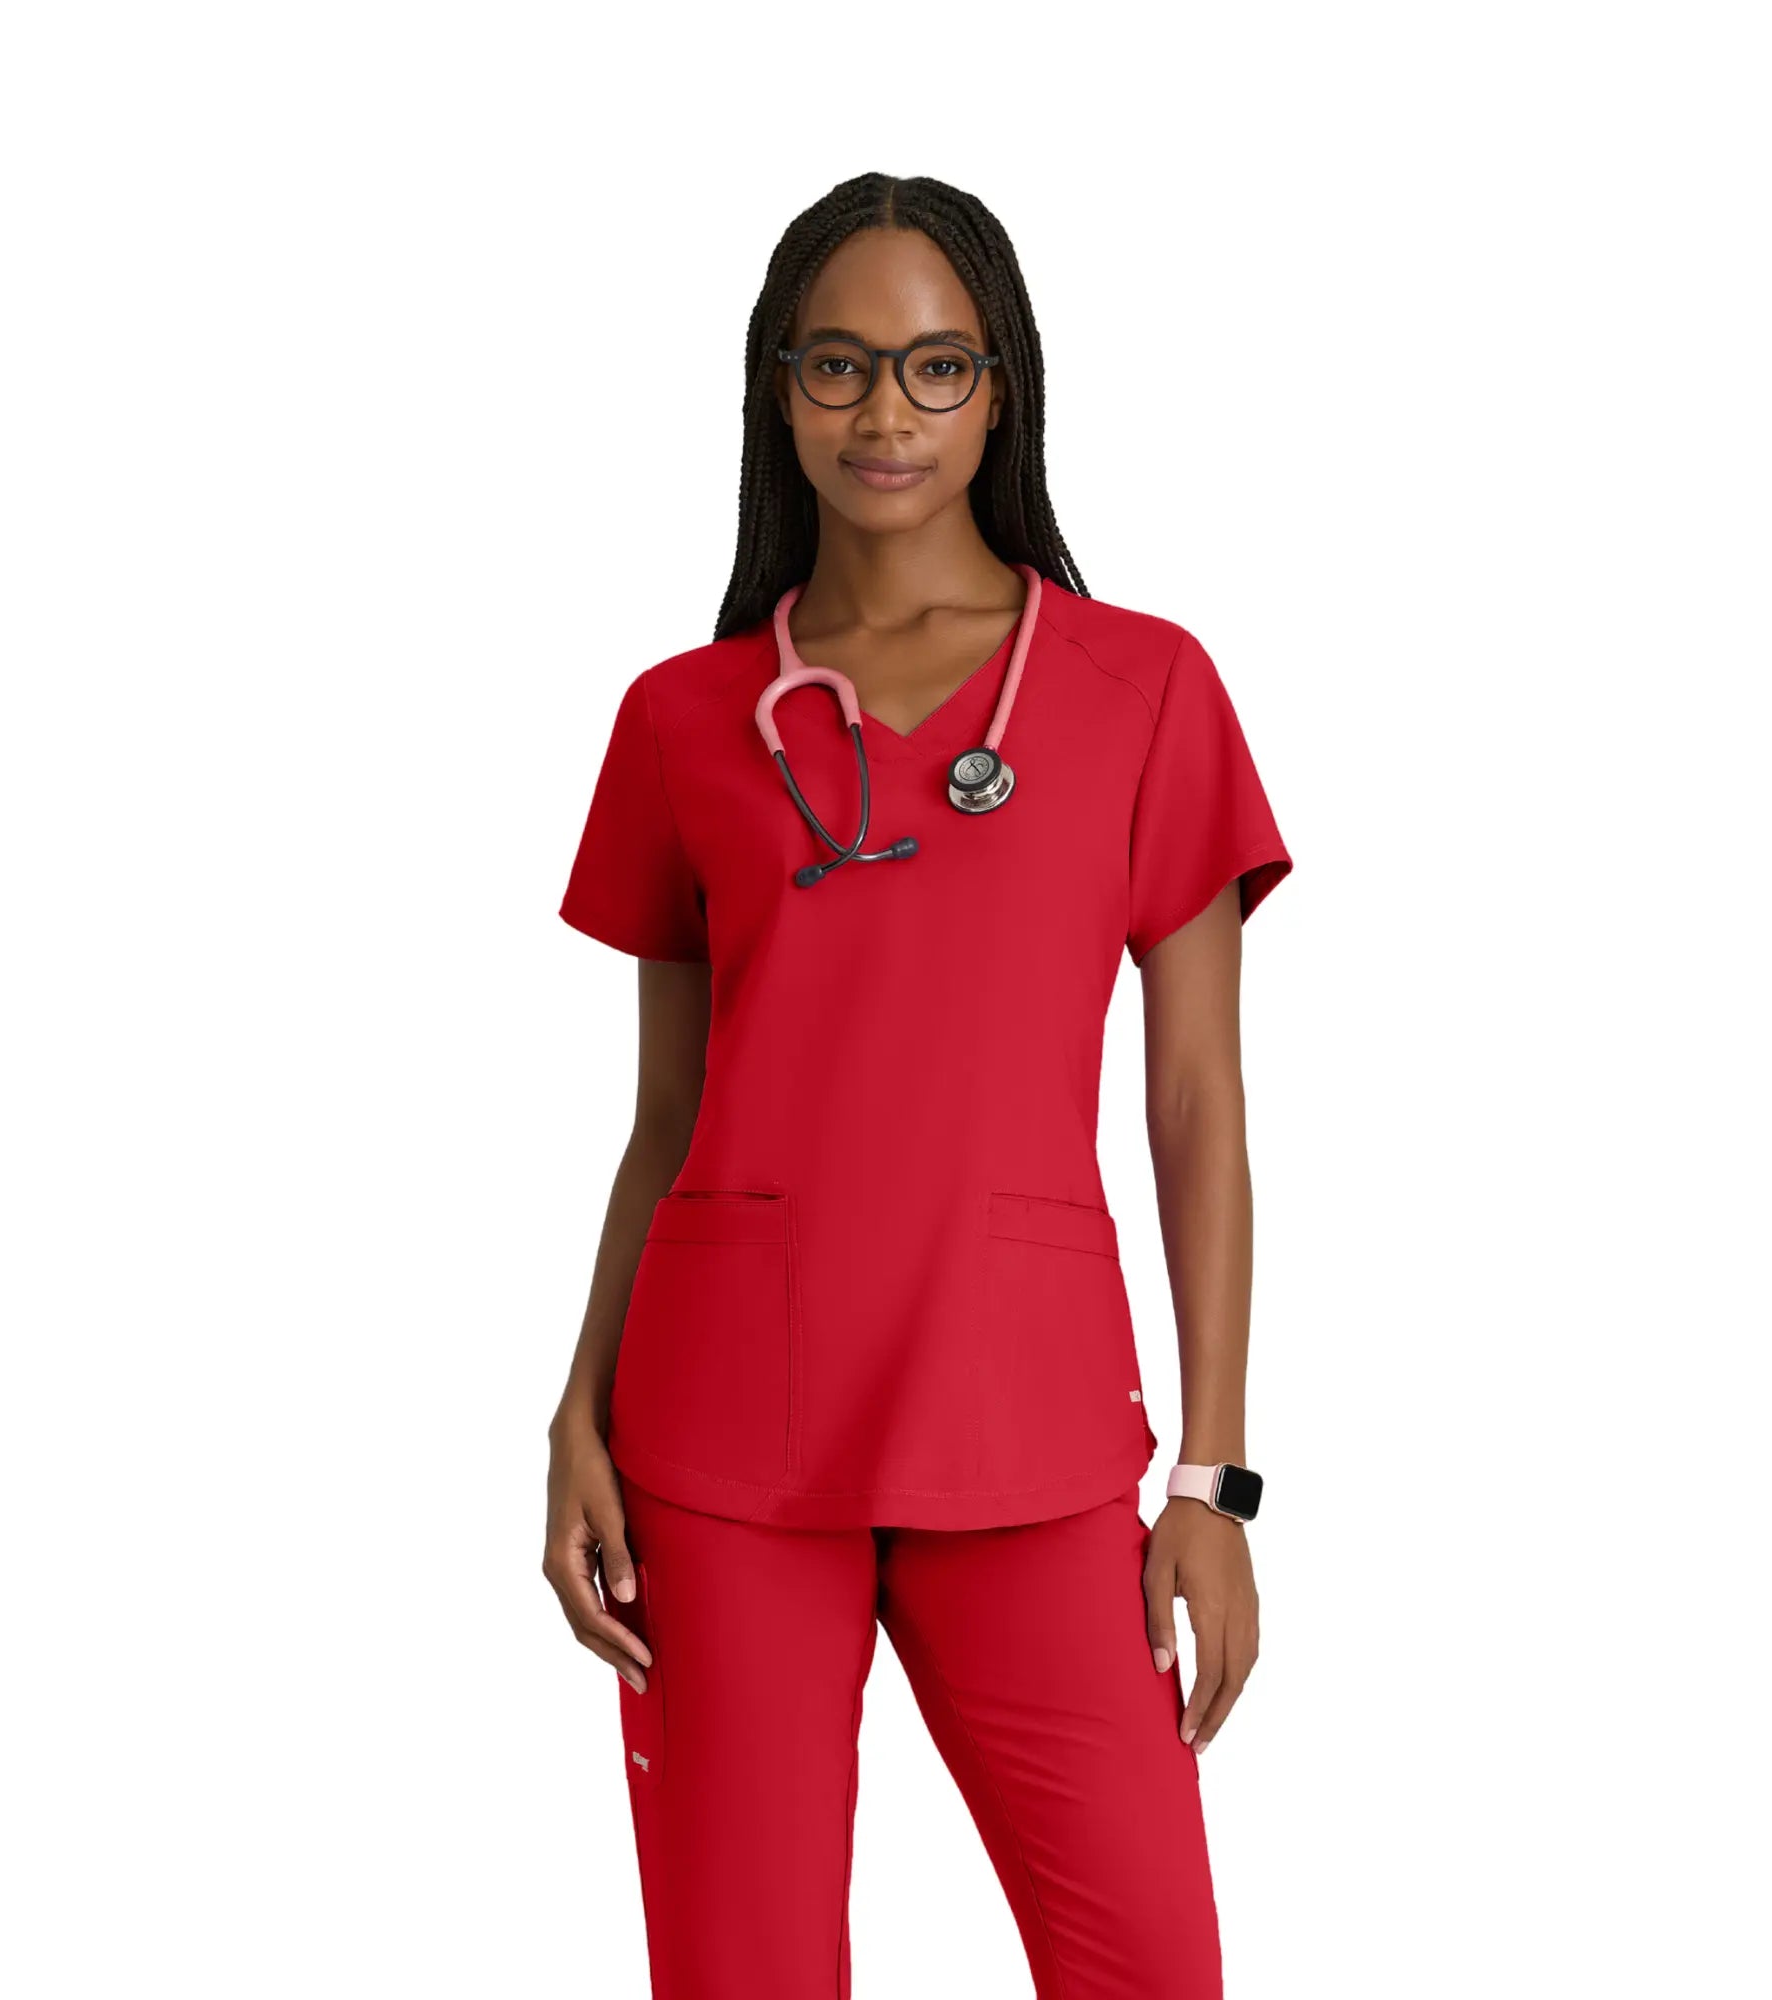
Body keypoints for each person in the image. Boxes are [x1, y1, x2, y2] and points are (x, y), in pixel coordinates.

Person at [542, 172, 1293, 2000]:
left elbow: (1197, 1105)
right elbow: (667, 1124)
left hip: (1021, 1427)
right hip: (718, 1437)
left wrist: (1212, 1478)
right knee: (743, 1972)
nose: (886, 411)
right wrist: (577, 1411)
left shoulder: (1144, 690)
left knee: (1148, 1964)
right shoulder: (683, 719)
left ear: (1001, 385)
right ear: (779, 389)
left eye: (937, 364)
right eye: (841, 363)